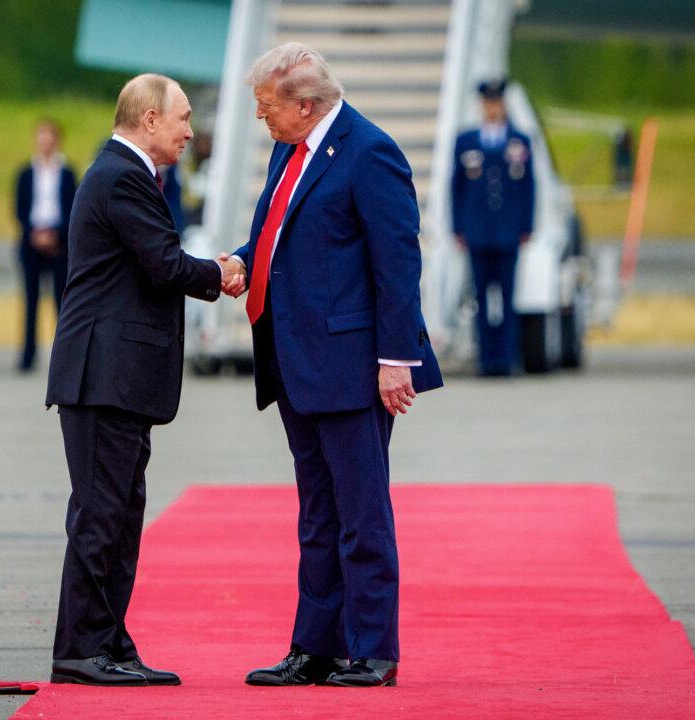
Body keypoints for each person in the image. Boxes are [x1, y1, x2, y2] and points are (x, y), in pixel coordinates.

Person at [220, 43, 442, 688]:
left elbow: (398, 261)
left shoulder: (370, 152)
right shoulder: (289, 149)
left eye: (267, 108)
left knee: (361, 513)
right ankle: (314, 647)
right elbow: (280, 234)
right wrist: (239, 260)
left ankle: (372, 650)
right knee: (318, 513)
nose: (262, 119)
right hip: (297, 361)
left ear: (305, 104)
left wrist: (397, 359)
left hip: (351, 364)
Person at [45, 73, 242, 687]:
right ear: (148, 119)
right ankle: (82, 649)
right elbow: (163, 262)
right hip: (103, 376)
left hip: (116, 378)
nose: (191, 130)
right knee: (103, 515)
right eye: (183, 117)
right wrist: (223, 272)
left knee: (121, 513)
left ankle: (107, 641)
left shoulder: (126, 173)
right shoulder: (123, 176)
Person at [451, 78, 535, 376]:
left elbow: (528, 186)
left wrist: (527, 225)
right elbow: (456, 187)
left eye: (497, 103)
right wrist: (458, 227)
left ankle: (507, 358)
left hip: (508, 231)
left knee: (508, 298)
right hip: (478, 232)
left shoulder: (518, 141)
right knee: (482, 299)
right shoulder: (467, 141)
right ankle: (486, 359)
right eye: (488, 103)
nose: (493, 109)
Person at [14, 119, 77, 372]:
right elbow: (19, 207)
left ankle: (64, 357)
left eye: (50, 136)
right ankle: (27, 355)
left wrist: (56, 235)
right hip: (32, 241)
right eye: (41, 136)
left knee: (61, 303)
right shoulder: (26, 173)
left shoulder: (67, 172)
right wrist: (34, 233)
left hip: (58, 243)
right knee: (30, 301)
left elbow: (72, 207)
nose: (45, 141)